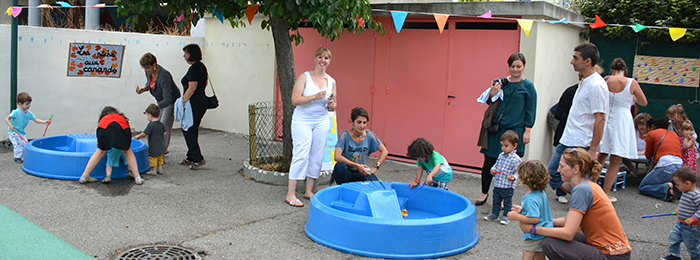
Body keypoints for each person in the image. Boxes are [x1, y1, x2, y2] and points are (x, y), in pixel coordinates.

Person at [523, 148, 632, 259]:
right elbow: (568, 221)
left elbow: (568, 233)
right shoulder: (587, 186)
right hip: (617, 252)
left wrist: (533, 229)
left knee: (550, 243)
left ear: (576, 169)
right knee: (553, 236)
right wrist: (540, 221)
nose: (558, 170)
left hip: (612, 256)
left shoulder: (582, 190)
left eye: (562, 166)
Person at [548, 43, 608, 205]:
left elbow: (600, 118)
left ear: (587, 61)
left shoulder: (596, 85)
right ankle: (584, 203)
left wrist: (593, 149)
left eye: (576, 58)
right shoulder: (585, 81)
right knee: (552, 173)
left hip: (582, 143)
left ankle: (584, 207)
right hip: (568, 139)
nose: (572, 61)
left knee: (579, 181)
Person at [475, 53, 537, 206]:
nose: (515, 69)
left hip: (515, 130)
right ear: (508, 66)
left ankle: (505, 199)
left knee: (510, 166)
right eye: (512, 66)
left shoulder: (528, 86)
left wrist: (528, 131)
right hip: (496, 130)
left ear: (524, 67)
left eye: (518, 66)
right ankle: (484, 193)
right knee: (489, 162)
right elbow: (489, 102)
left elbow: (531, 109)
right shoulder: (500, 82)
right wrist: (493, 92)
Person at [286, 47, 338, 207]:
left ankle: (308, 192)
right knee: (301, 153)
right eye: (320, 57)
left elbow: (334, 104)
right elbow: (294, 100)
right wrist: (314, 97)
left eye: (326, 58)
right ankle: (290, 194)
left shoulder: (332, 81)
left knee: (317, 155)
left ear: (329, 61)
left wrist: (331, 104)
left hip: (322, 120)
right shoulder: (305, 77)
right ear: (315, 58)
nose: (323, 61)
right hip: (303, 121)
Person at [596, 58, 648, 202]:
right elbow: (643, 102)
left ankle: (591, 189)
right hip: (622, 121)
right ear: (625, 70)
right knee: (615, 160)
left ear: (612, 70)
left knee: (601, 155)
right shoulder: (632, 82)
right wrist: (631, 97)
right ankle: (605, 194)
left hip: (606, 118)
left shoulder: (606, 80)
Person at [78, 106, 143, 185]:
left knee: (101, 151)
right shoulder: (120, 117)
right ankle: (137, 178)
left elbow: (98, 143)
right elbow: (128, 137)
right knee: (127, 151)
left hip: (103, 128)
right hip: (121, 127)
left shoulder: (103, 119)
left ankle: (84, 176)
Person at [507, 160, 553, 260]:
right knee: (540, 256)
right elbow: (538, 210)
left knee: (527, 257)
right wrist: (522, 209)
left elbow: (534, 218)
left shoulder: (530, 198)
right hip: (543, 233)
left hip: (533, 236)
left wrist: (516, 217)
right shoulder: (540, 192)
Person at [136, 53, 181, 153]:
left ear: (154, 64)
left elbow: (168, 99)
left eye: (147, 68)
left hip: (170, 100)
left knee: (164, 125)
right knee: (156, 123)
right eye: (144, 68)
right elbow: (150, 84)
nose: (146, 70)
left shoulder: (164, 76)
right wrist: (144, 88)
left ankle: (162, 150)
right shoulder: (148, 73)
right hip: (160, 100)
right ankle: (159, 148)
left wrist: (156, 107)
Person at [332, 107, 388, 186]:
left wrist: (376, 166)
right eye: (359, 122)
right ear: (352, 122)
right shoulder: (344, 134)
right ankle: (342, 188)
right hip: (347, 170)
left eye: (364, 123)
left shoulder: (369, 135)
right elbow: (337, 157)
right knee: (339, 166)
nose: (362, 126)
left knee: (375, 184)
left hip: (361, 171)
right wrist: (357, 166)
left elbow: (384, 151)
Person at [639, 117, 683, 202]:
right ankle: (676, 189)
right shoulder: (674, 134)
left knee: (643, 187)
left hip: (665, 166)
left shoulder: (651, 134)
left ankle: (665, 188)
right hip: (679, 166)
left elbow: (648, 155)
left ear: (652, 126)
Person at [179, 44, 208, 170]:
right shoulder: (201, 67)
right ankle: (191, 155)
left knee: (188, 129)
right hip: (200, 102)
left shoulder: (194, 68)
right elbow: (204, 83)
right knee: (193, 128)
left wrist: (183, 101)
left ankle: (197, 157)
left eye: (186, 53)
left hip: (193, 103)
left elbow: (192, 88)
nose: (184, 56)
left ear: (192, 54)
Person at [661, 166, 700, 260]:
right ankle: (675, 255)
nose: (676, 187)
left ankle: (696, 257)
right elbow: (686, 204)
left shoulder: (696, 195)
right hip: (680, 223)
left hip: (692, 226)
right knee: (673, 238)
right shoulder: (686, 192)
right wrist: (679, 209)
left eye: (678, 184)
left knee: (691, 246)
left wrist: (693, 218)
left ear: (687, 183)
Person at [484, 130, 521, 225]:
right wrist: (493, 170)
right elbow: (495, 165)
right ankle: (494, 214)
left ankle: (506, 216)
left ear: (515, 146)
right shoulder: (501, 155)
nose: (503, 148)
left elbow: (518, 172)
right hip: (498, 184)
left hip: (507, 186)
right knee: (496, 200)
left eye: (506, 146)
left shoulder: (516, 159)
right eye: (502, 145)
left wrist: (513, 177)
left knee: (507, 202)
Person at [5, 92, 51, 164]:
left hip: (21, 131)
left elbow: (35, 120)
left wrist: (45, 122)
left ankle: (24, 156)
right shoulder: (15, 112)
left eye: (29, 103)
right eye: (26, 104)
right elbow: (7, 118)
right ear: (20, 104)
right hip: (13, 131)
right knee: (19, 143)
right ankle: (17, 157)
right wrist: (10, 125)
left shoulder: (29, 113)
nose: (28, 105)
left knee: (25, 144)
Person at [133, 104, 167, 175]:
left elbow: (144, 134)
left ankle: (153, 170)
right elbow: (164, 133)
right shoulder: (161, 124)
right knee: (160, 157)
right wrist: (161, 138)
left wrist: (137, 136)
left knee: (153, 158)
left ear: (150, 115)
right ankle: (160, 169)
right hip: (161, 145)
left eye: (147, 115)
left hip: (153, 146)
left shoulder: (150, 125)